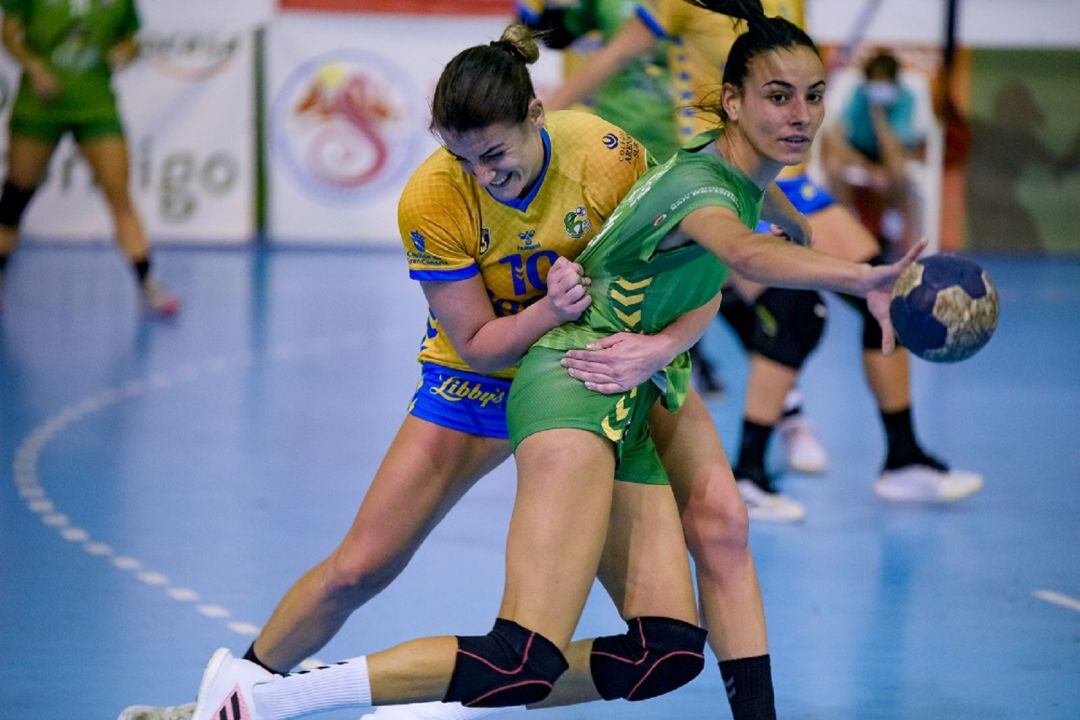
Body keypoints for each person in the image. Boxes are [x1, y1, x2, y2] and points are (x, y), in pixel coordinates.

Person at [185, 6, 925, 719]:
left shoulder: (605, 157)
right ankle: (247, 683)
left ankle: (440, 694)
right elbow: (476, 339)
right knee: (362, 568)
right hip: (485, 376)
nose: (482, 175)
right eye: (462, 158)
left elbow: (688, 269)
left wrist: (666, 345)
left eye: (495, 155)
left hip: (605, 366)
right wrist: (549, 310)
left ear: (537, 116)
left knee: (707, 560)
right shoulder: (432, 199)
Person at [542, 0, 983, 521]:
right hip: (712, 183)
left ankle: (903, 459)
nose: (803, 108)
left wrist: (797, 222)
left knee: (888, 294)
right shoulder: (679, 6)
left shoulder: (788, 5)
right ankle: (752, 469)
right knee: (795, 314)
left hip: (774, 180)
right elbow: (608, 60)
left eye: (814, 98)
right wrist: (538, 127)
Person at [0, 0, 178, 315]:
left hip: (96, 106)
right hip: (39, 108)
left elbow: (130, 40)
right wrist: (34, 67)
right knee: (15, 196)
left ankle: (147, 282)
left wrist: (125, 52)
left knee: (119, 195)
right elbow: (9, 33)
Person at [820, 49, 928, 255]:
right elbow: (836, 134)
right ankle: (848, 225)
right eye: (874, 81)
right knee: (833, 164)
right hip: (861, 153)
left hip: (890, 153)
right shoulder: (859, 93)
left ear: (894, 81)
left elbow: (893, 148)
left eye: (883, 81)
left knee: (898, 166)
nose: (878, 86)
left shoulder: (906, 98)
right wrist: (868, 169)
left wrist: (878, 113)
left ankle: (891, 227)